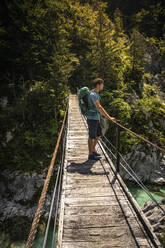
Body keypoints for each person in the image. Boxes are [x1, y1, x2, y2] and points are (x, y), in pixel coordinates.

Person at [87, 78, 116, 160]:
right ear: (98, 85)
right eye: (102, 84)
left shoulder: (95, 93)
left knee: (98, 134)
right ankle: (90, 155)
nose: (103, 86)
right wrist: (109, 117)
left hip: (96, 118)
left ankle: (92, 150)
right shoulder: (93, 95)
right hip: (92, 118)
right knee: (91, 136)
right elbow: (99, 107)